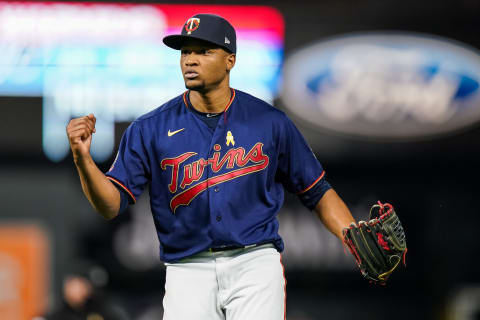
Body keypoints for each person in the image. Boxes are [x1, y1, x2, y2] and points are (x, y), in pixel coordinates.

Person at [66, 13, 356, 320]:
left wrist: (351, 234)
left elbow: (317, 190)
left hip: (254, 263)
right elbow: (110, 205)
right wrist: (82, 159)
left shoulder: (269, 123)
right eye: (186, 52)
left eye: (204, 51)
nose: (191, 60)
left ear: (230, 60)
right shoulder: (149, 128)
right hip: (187, 268)